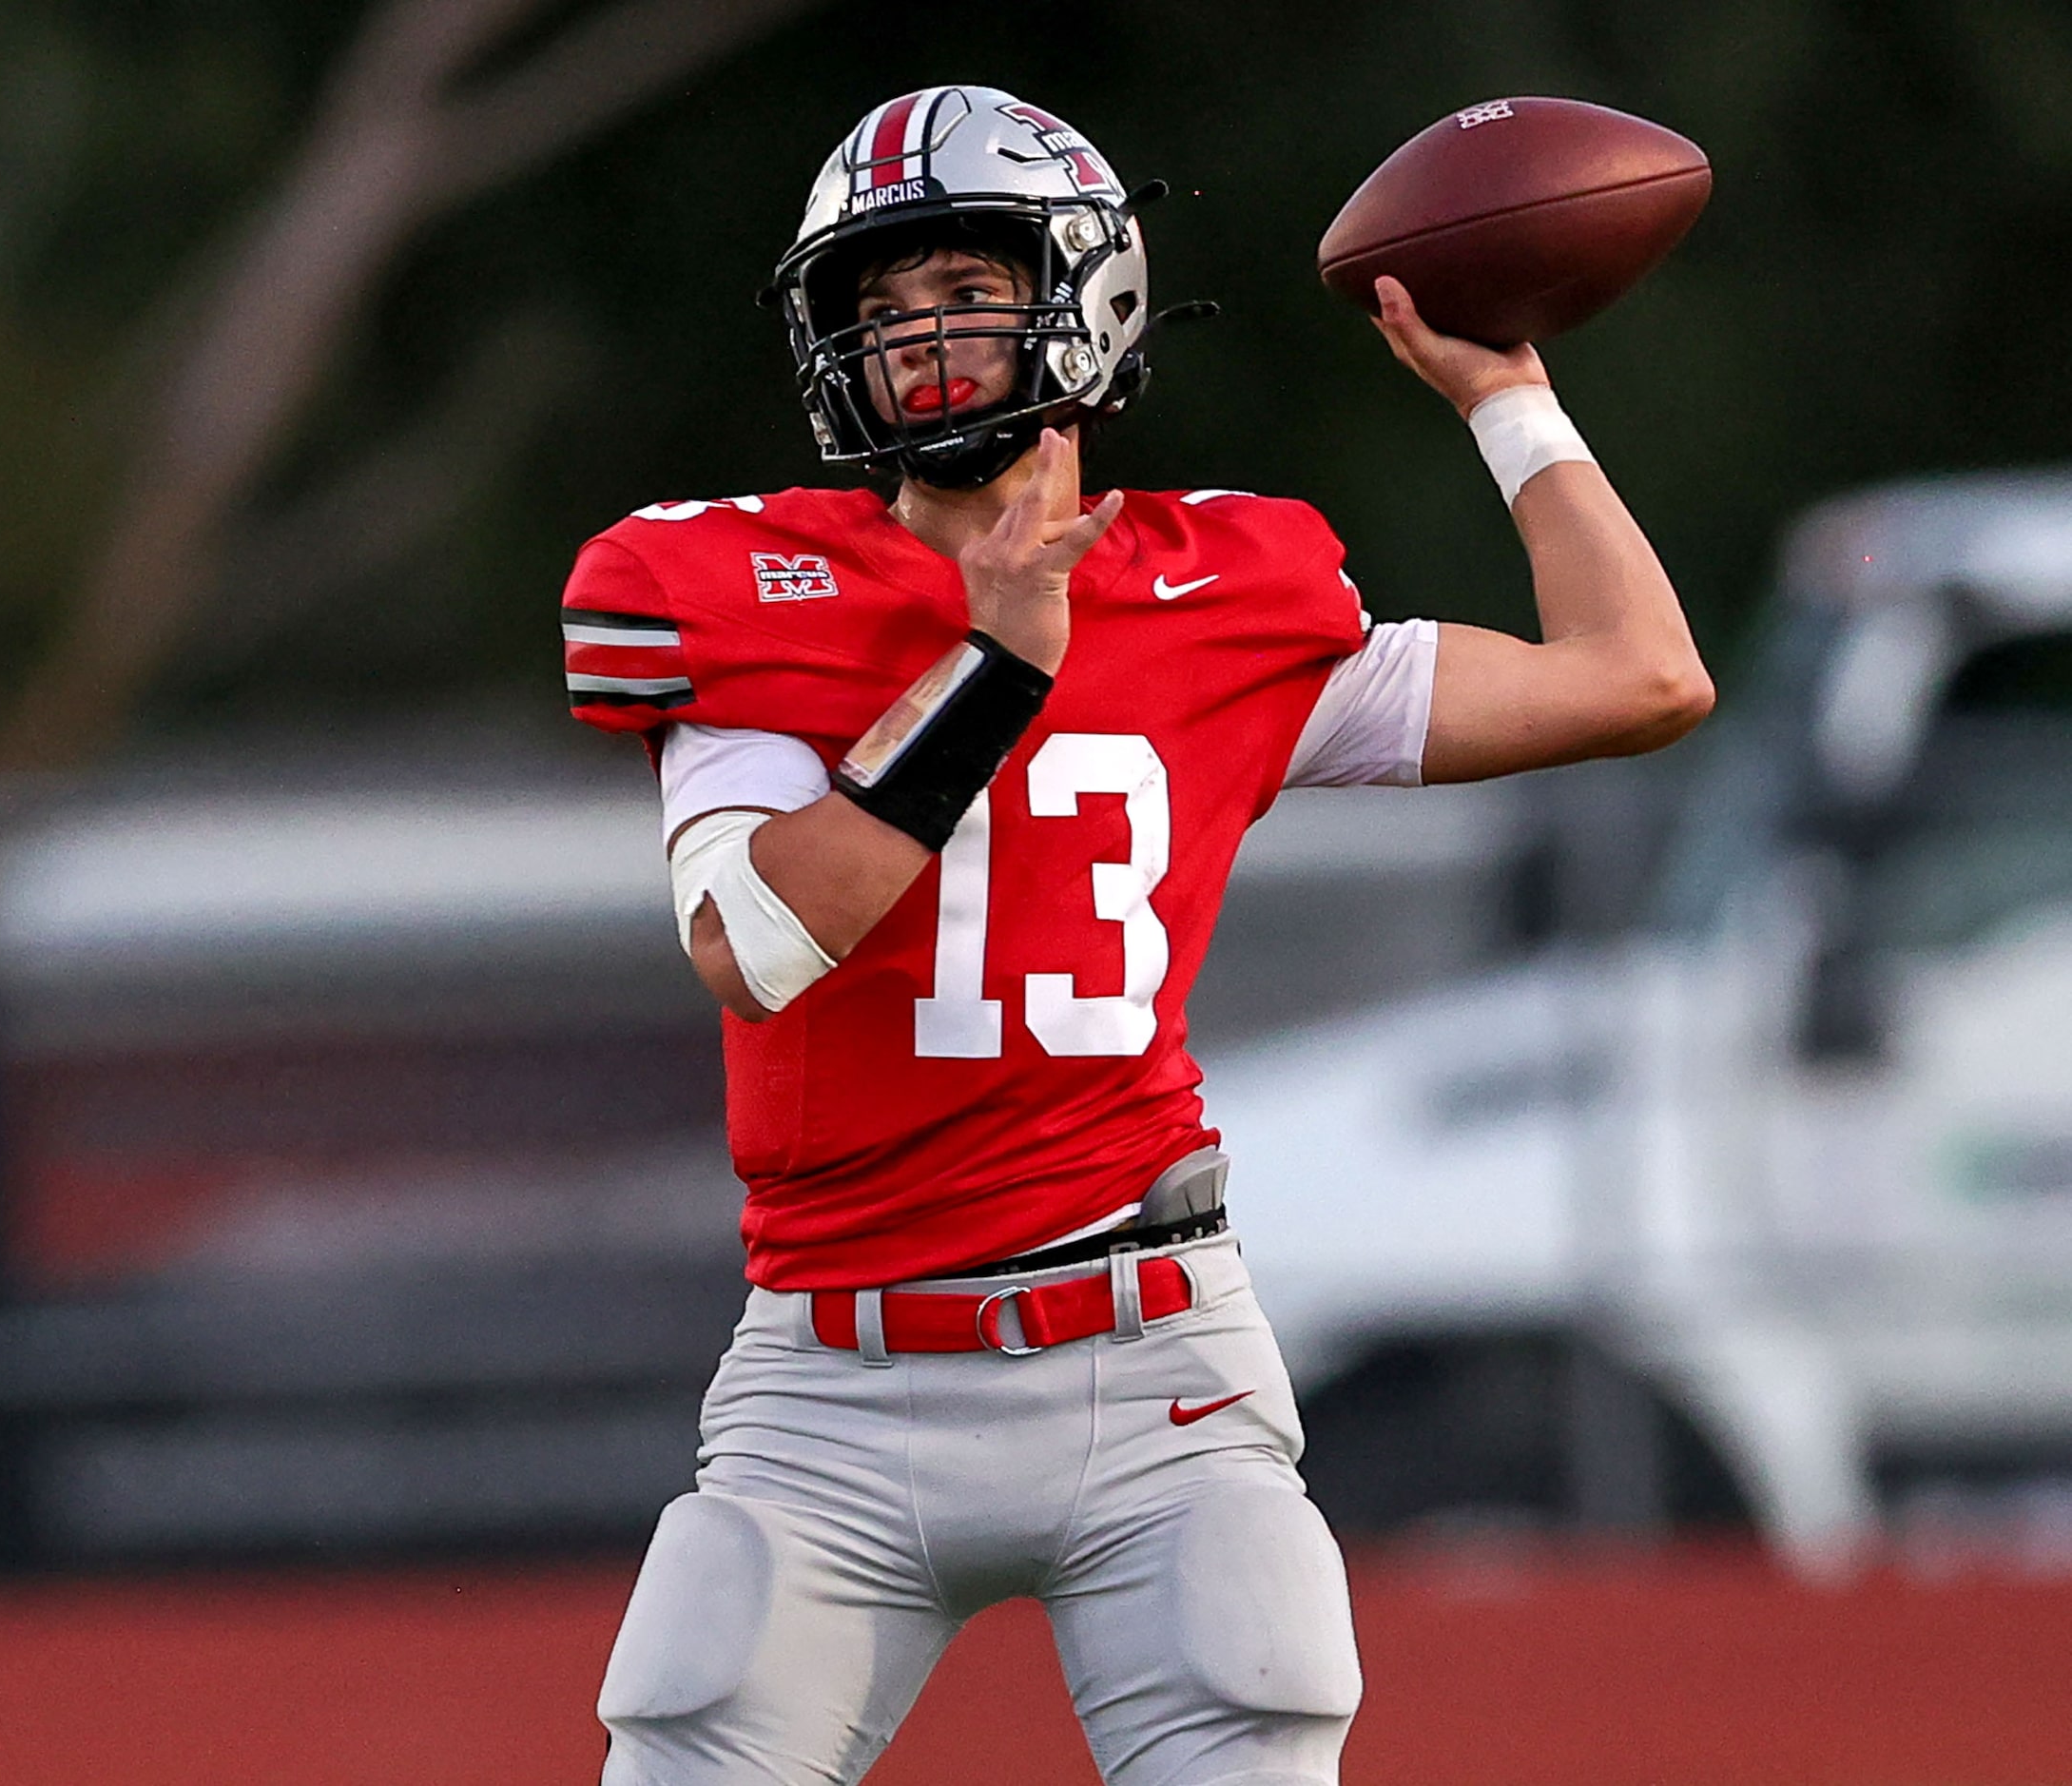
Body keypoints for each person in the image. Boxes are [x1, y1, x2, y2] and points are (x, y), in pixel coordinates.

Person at [561, 85, 1711, 1786]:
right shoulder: (736, 589)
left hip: (1152, 1356)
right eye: (878, 305)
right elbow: (753, 945)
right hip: (832, 1377)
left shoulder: (1222, 589)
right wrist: (993, 671)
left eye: (959, 283)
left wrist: (1513, 400)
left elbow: (1639, 676)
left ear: (1083, 291)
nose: (919, 337)